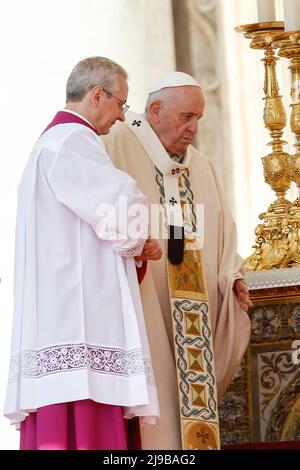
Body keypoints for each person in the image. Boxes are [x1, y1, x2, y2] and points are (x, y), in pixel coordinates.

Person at [4, 56, 163, 450]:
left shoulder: (52, 143)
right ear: (97, 94)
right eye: (121, 104)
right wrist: (143, 235)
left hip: (63, 314)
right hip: (79, 319)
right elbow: (121, 204)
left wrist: (134, 245)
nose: (122, 117)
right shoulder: (71, 142)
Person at [103, 71, 252, 450]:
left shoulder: (199, 165)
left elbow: (223, 231)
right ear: (154, 110)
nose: (194, 128)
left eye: (199, 119)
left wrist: (231, 275)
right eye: (187, 117)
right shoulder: (115, 144)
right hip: (145, 303)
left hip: (192, 319)